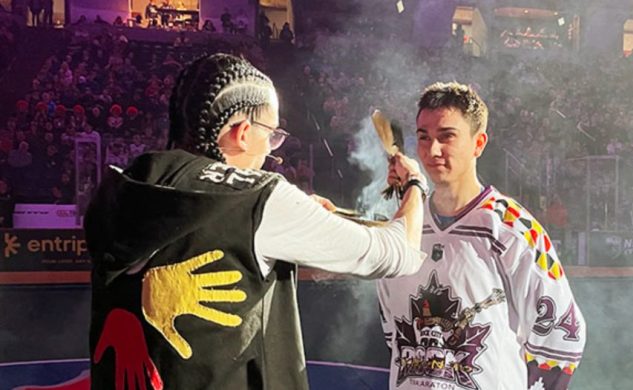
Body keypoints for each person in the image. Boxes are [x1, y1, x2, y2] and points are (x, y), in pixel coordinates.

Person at [84, 53, 427, 390]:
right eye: (272, 134)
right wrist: (415, 184)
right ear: (243, 132)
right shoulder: (261, 199)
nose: (272, 151)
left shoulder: (120, 190)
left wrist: (299, 216)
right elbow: (397, 252)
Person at [377, 82, 586, 390]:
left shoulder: (514, 229)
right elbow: (392, 330)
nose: (432, 150)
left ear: (478, 143)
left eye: (447, 136)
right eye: (424, 137)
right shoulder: (404, 226)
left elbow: (563, 338)